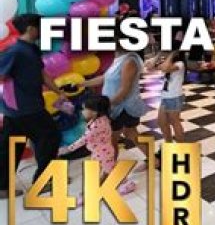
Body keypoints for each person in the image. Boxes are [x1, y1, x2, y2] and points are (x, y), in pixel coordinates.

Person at [0, 14, 64, 198]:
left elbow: (42, 74)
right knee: (50, 136)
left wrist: (58, 91)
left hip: (22, 108)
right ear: (31, 28)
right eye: (41, 27)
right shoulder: (15, 51)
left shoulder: (31, 49)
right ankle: (43, 182)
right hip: (25, 108)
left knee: (12, 146)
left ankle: (2, 187)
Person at [82, 33, 149, 169]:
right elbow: (105, 78)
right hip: (114, 107)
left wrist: (103, 107)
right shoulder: (118, 58)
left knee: (115, 138)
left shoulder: (130, 61)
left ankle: (109, 171)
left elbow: (124, 90)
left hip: (124, 108)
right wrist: (82, 84)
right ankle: (154, 160)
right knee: (128, 135)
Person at [58, 95, 136, 202]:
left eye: (84, 109)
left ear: (94, 112)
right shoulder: (102, 118)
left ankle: (125, 185)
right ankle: (97, 188)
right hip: (102, 152)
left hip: (102, 154)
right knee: (106, 170)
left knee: (106, 171)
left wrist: (68, 149)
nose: (82, 111)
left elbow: (84, 139)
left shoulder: (96, 125)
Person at [152, 51, 186, 145]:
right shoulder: (168, 63)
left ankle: (180, 147)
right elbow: (151, 67)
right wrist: (159, 54)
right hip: (166, 96)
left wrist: (171, 54)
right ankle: (169, 144)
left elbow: (166, 69)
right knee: (161, 122)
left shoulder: (180, 64)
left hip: (174, 97)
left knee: (175, 122)